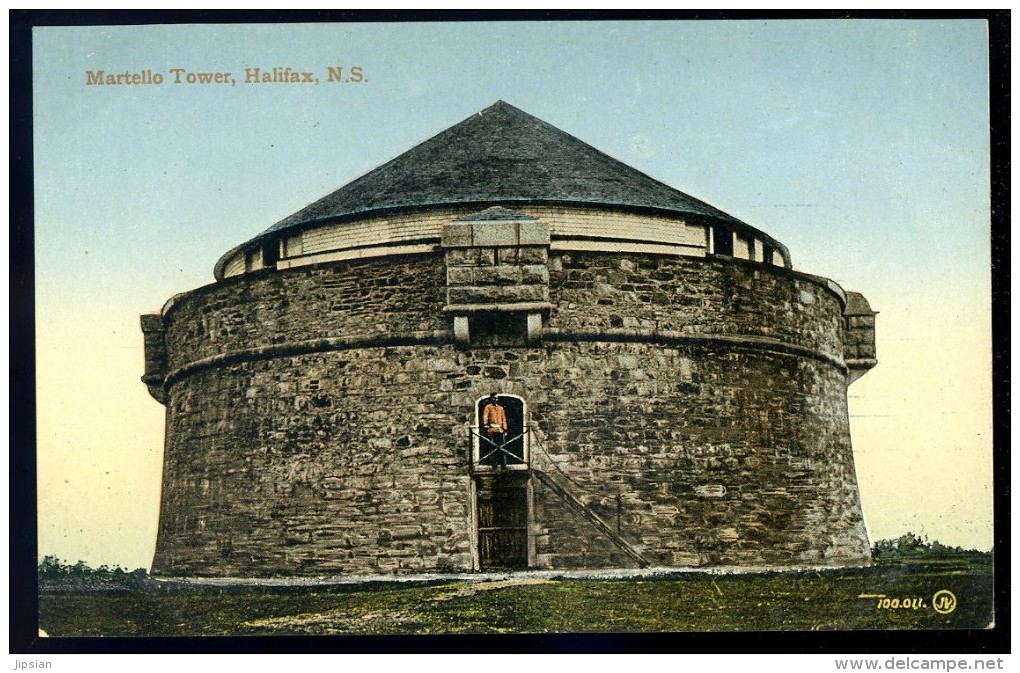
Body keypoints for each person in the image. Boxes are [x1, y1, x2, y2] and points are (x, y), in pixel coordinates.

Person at [481, 393, 509, 467]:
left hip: (500, 430)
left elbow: (504, 419)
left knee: (502, 447)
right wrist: (486, 425)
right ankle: (494, 464)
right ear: (491, 398)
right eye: (494, 398)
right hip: (492, 429)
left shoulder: (500, 408)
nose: (495, 400)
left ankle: (503, 464)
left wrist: (505, 429)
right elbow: (485, 416)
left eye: (497, 398)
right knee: (493, 447)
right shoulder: (488, 407)